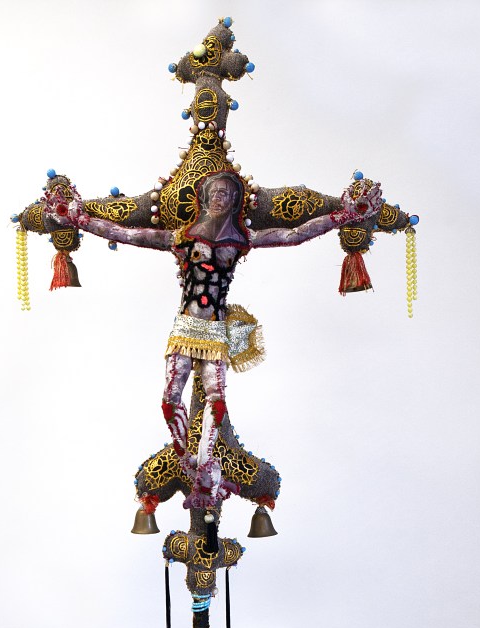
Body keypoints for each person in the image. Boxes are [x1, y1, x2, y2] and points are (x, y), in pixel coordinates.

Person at [43, 171, 382, 508]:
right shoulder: (181, 237)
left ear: (235, 201)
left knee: (215, 400)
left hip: (216, 334)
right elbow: (127, 233)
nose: (221, 197)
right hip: (185, 330)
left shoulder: (242, 239)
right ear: (204, 198)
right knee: (169, 401)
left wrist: (344, 216)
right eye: (216, 192)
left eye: (228, 194)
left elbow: (292, 235)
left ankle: (206, 465)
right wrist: (79, 220)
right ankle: (187, 459)